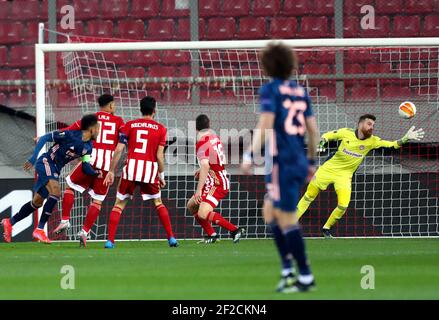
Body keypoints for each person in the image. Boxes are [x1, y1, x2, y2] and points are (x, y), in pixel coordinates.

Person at [241, 42, 320, 293]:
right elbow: (314, 131)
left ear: (267, 66)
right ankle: (287, 269)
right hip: (297, 159)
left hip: (281, 162)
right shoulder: (300, 90)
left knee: (286, 219)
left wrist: (250, 153)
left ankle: (305, 275)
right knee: (269, 211)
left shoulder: (270, 90)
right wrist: (310, 162)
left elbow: (265, 123)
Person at [296, 114, 424, 238]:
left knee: (343, 206)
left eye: (373, 125)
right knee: (308, 196)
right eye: (369, 124)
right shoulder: (346, 132)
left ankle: (326, 228)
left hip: (344, 177)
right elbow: (327, 136)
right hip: (327, 170)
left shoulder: (372, 141)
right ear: (360, 124)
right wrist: (322, 143)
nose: (371, 127)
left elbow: (392, 145)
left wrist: (405, 138)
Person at [1, 114, 100, 243]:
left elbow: (85, 166)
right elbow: (45, 138)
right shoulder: (70, 135)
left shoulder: (89, 147)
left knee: (37, 202)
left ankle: (10, 222)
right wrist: (33, 157)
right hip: (46, 162)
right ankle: (40, 229)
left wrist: (94, 173)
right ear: (91, 128)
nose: (99, 130)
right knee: (56, 191)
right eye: (98, 127)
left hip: (55, 170)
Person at [103, 96, 178, 248]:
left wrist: (111, 170)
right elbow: (159, 156)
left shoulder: (129, 125)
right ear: (154, 111)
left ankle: (110, 241)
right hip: (149, 172)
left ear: (140, 109)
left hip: (131, 169)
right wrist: (161, 175)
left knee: (119, 204)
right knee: (158, 203)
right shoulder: (161, 129)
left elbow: (119, 149)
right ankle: (171, 238)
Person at [53, 94, 125, 248]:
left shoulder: (91, 118)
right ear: (111, 105)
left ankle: (65, 220)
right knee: (97, 201)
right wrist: (113, 169)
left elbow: (70, 130)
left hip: (89, 160)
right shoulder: (119, 122)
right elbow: (121, 146)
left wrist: (48, 137)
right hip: (105, 167)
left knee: (70, 186)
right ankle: (84, 232)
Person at [186, 114, 245, 244]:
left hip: (217, 183)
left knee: (202, 213)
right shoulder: (214, 138)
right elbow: (219, 160)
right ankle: (212, 235)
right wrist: (201, 169)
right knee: (191, 206)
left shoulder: (201, 143)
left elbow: (206, 165)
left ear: (196, 129)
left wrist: (199, 190)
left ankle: (235, 230)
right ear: (209, 125)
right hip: (216, 179)